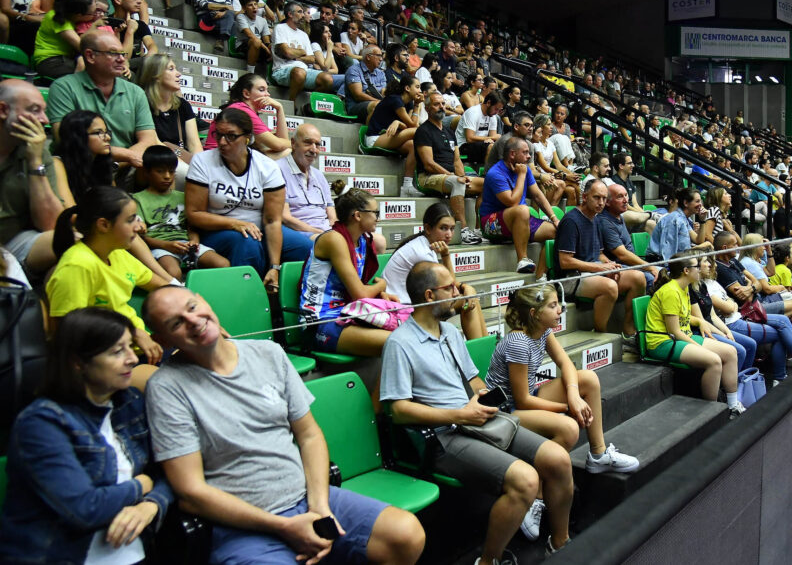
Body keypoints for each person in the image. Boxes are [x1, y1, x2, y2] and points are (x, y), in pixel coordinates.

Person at [142, 285, 424, 565]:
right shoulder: (167, 387)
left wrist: (319, 507)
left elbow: (310, 435)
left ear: (203, 301)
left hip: (305, 498)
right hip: (243, 525)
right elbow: (191, 493)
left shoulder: (268, 353)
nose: (193, 321)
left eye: (192, 308)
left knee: (405, 534)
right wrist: (284, 527)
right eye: (176, 323)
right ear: (162, 340)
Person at [381, 261, 574, 560]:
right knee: (526, 480)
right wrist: (458, 415)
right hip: (443, 436)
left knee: (559, 459)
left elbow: (473, 381)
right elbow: (398, 410)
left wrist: (484, 397)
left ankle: (561, 543)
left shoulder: (450, 332)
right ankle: (487, 560)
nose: (459, 292)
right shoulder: (400, 343)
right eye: (451, 288)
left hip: (476, 419)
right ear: (430, 296)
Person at [0, 307, 174, 563]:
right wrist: (141, 485)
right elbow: (85, 509)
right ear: (78, 362)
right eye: (117, 352)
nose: (132, 359)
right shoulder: (41, 423)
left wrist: (152, 505)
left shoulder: (130, 403)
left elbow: (172, 472)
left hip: (135, 553)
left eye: (130, 347)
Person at [486, 284, 639, 539]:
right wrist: (568, 407)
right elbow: (522, 401)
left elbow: (566, 362)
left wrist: (573, 393)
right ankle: (534, 497)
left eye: (559, 303)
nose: (561, 309)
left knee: (587, 379)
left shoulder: (543, 332)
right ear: (534, 313)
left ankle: (598, 455)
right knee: (567, 428)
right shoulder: (519, 342)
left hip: (529, 398)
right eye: (553, 305)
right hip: (506, 410)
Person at [185, 108, 312, 284]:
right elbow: (194, 214)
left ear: (247, 137)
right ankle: (245, 300)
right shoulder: (202, 162)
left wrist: (275, 268)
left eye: (230, 136)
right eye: (218, 134)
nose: (222, 142)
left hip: (259, 228)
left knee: (306, 248)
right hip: (216, 230)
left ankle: (287, 301)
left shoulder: (266, 167)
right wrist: (235, 223)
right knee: (248, 242)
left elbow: (272, 221)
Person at [47, 186, 168, 368]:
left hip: (141, 349)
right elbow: (68, 332)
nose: (138, 227)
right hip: (106, 363)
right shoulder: (76, 266)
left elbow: (162, 287)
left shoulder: (117, 253)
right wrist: (132, 331)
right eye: (130, 220)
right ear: (103, 225)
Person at [299, 188, 397, 355]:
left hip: (347, 313)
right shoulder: (334, 239)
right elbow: (360, 293)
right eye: (375, 212)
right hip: (320, 321)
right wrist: (382, 285)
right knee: (399, 343)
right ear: (358, 215)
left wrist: (379, 296)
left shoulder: (363, 241)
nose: (378, 219)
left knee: (409, 334)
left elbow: (358, 287)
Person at [645, 253, 745, 414]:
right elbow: (674, 331)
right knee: (714, 360)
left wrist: (698, 321)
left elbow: (682, 316)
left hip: (681, 337)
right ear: (686, 270)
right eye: (696, 266)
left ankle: (733, 405)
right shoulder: (671, 291)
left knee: (730, 352)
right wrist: (699, 348)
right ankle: (711, 412)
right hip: (662, 342)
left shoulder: (684, 288)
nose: (699, 269)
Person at [46, 29, 160, 167]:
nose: (122, 59)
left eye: (122, 53)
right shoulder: (63, 87)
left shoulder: (136, 92)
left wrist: (118, 164)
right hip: (78, 166)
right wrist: (125, 156)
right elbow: (66, 140)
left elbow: (148, 139)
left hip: (125, 167)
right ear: (90, 56)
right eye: (113, 53)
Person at [712, 231, 792, 385]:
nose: (738, 247)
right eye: (734, 244)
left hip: (757, 306)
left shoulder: (734, 262)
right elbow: (746, 296)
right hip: (746, 313)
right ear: (724, 247)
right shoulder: (721, 270)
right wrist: (752, 287)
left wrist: (750, 287)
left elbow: (756, 282)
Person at [553, 179, 646, 336]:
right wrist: (600, 268)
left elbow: (599, 254)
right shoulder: (571, 220)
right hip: (569, 278)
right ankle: (600, 334)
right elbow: (565, 261)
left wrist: (609, 265)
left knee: (638, 277)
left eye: (604, 198)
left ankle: (629, 331)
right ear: (585, 197)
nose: (601, 202)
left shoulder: (595, 219)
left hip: (592, 271)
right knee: (610, 287)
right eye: (596, 197)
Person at [382, 202, 486, 339]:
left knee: (471, 298)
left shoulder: (424, 244)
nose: (449, 234)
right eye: (443, 228)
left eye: (452, 228)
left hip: (412, 305)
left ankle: (487, 348)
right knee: (469, 301)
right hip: (401, 311)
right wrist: (446, 256)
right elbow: (450, 289)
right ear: (428, 228)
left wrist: (466, 287)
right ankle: (481, 355)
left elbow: (449, 287)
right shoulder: (422, 253)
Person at [0, 80, 67, 277]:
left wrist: (35, 161)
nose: (44, 119)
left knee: (70, 240)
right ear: (3, 110)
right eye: (34, 110)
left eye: (44, 111)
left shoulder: (37, 151)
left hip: (14, 240)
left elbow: (52, 224)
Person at [135, 145, 228, 281]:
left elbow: (191, 226)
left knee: (223, 265)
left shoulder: (183, 197)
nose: (167, 176)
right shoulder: (137, 199)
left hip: (185, 244)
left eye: (171, 172)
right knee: (174, 272)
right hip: (160, 246)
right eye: (160, 171)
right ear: (147, 172)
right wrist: (167, 245)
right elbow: (140, 238)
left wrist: (194, 242)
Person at [413, 89, 484, 243]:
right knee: (456, 182)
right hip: (428, 176)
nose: (441, 107)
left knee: (487, 184)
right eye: (436, 104)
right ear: (427, 108)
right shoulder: (423, 131)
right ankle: (463, 230)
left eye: (443, 104)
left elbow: (457, 160)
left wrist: (461, 175)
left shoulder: (449, 132)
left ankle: (479, 229)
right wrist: (453, 176)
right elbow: (429, 164)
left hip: (450, 176)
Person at [480, 136, 559, 274]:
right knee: (522, 210)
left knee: (558, 231)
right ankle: (523, 260)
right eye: (525, 152)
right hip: (491, 223)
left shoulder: (525, 170)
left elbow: (538, 195)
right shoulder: (495, 173)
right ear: (512, 154)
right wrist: (521, 175)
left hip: (520, 220)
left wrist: (554, 218)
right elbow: (512, 202)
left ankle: (543, 274)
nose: (529, 157)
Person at [138, 53, 202, 174]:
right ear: (156, 75)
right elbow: (154, 141)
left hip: (181, 160)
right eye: (171, 69)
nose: (178, 73)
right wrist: (186, 169)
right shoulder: (143, 103)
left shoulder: (183, 105)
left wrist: (200, 168)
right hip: (154, 161)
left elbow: (195, 144)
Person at [203, 73, 291, 160]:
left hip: (227, 157)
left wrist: (279, 109)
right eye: (261, 90)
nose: (267, 95)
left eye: (267, 90)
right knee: (288, 152)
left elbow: (282, 140)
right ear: (246, 93)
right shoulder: (242, 110)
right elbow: (279, 145)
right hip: (218, 159)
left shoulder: (243, 108)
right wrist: (299, 144)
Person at [366, 72, 420, 196]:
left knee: (413, 145)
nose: (420, 90)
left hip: (390, 137)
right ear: (407, 88)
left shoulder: (409, 103)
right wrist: (400, 123)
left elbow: (412, 123)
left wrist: (415, 106)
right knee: (419, 132)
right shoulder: (395, 100)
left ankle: (406, 187)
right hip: (375, 138)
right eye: (417, 87)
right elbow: (413, 126)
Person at [270, 2, 336, 101]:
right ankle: (291, 103)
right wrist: (301, 51)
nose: (303, 15)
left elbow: (312, 59)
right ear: (290, 14)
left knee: (328, 79)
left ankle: (308, 104)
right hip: (282, 69)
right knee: (299, 73)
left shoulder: (303, 35)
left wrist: (295, 56)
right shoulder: (280, 28)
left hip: (305, 70)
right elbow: (287, 52)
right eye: (300, 12)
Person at [32, 0, 95, 77]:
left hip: (64, 59)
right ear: (79, 15)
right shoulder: (57, 18)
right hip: (51, 62)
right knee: (95, 71)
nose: (95, 16)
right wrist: (94, 26)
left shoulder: (71, 17)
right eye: (92, 14)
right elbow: (81, 46)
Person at [648, 187, 714, 261]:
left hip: (679, 260)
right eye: (697, 201)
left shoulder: (684, 219)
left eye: (700, 201)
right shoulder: (674, 220)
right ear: (686, 203)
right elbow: (667, 254)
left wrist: (702, 221)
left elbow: (698, 240)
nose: (700, 205)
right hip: (660, 263)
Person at [109, 0, 156, 77]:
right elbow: (123, 57)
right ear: (118, 0)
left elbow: (152, 46)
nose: (139, 1)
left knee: (160, 62)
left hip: (135, 65)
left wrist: (148, 59)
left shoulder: (140, 25)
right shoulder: (107, 23)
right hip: (116, 64)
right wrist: (130, 31)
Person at [609, 152, 655, 233]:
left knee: (652, 224)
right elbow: (626, 206)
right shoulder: (614, 182)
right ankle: (652, 215)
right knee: (649, 219)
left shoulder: (629, 181)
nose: (633, 165)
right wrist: (644, 214)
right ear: (621, 166)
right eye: (629, 163)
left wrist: (643, 213)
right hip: (624, 213)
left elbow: (635, 204)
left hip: (634, 213)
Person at [455, 90, 504, 165]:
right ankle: (488, 175)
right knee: (491, 147)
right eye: (496, 109)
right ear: (488, 103)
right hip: (463, 146)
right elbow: (470, 138)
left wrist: (492, 138)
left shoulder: (492, 116)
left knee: (501, 146)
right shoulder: (473, 112)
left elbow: (493, 137)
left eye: (499, 110)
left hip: (480, 144)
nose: (497, 112)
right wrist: (490, 138)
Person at [342, 43, 386, 122]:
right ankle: (370, 134)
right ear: (368, 57)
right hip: (355, 107)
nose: (381, 59)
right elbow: (358, 95)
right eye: (378, 56)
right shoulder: (354, 70)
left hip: (377, 104)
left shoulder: (381, 73)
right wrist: (379, 102)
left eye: (381, 56)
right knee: (376, 106)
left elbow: (384, 92)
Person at [234, 0, 271, 74]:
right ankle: (250, 72)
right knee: (256, 41)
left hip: (260, 45)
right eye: (250, 5)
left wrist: (271, 48)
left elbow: (266, 40)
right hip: (243, 44)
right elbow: (250, 35)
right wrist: (266, 49)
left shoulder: (262, 20)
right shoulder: (240, 17)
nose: (254, 7)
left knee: (276, 45)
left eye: (255, 4)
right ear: (244, 8)